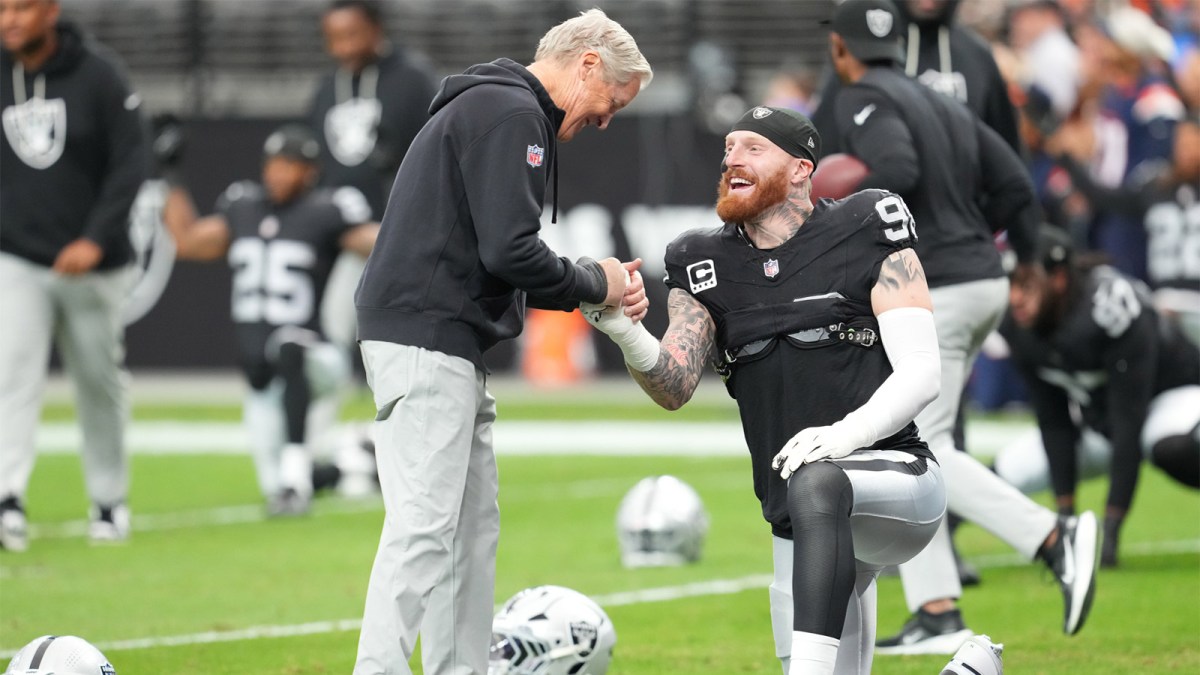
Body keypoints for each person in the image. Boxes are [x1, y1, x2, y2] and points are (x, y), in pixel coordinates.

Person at [586, 103, 947, 675]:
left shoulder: (865, 223)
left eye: (754, 147)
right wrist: (623, 330)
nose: (733, 158)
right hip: (795, 515)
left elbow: (923, 370)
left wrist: (842, 437)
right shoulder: (701, 260)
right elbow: (674, 384)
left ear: (802, 168)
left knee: (818, 482)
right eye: (729, 147)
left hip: (893, 480)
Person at [351, 10, 651, 674]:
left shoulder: (499, 107)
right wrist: (591, 279)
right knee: (426, 528)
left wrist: (587, 284)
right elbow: (511, 250)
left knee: (467, 534)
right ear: (589, 64)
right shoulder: (511, 113)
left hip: (444, 337)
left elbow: (499, 254)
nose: (605, 121)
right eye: (611, 104)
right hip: (427, 334)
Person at [820, 0, 1100, 653]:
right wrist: (1026, 258)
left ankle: (1052, 537)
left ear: (841, 48)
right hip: (982, 277)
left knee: (924, 450)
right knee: (910, 440)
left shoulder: (859, 96)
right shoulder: (939, 100)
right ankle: (937, 608)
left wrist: (838, 230)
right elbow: (1014, 181)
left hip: (936, 287)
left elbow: (896, 171)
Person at [162, 124, 378, 516]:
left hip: (317, 358)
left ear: (310, 171)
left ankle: (297, 482)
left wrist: (400, 188)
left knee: (288, 344)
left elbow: (383, 247)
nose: (277, 173)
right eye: (273, 164)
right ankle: (357, 466)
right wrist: (169, 176)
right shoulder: (243, 205)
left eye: (289, 165)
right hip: (262, 375)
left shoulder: (327, 211)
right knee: (275, 483)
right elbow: (187, 241)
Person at [0, 0, 147, 551]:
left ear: (51, 10)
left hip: (93, 263)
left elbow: (132, 162)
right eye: (2, 8)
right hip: (15, 256)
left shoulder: (99, 73)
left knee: (97, 382)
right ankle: (6, 499)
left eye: (22, 7)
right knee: (9, 376)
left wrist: (95, 237)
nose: (10, 18)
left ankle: (109, 501)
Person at [995, 227, 1200, 567]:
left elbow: (1128, 423)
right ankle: (927, 547)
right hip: (1100, 415)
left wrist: (1111, 532)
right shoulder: (1018, 326)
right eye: (1011, 284)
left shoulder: (1110, 309)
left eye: (1026, 284)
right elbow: (1054, 421)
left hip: (1170, 397)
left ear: (1058, 279)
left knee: (1172, 448)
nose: (1015, 298)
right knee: (1002, 473)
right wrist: (1065, 517)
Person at [308, 0, 439, 354]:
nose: (343, 47)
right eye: (334, 37)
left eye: (352, 35)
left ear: (376, 30)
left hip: (402, 233)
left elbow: (440, 152)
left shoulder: (414, 79)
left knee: (399, 334)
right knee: (331, 326)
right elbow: (317, 161)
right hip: (342, 235)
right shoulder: (325, 87)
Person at [811, 0, 1021, 155]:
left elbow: (1007, 147)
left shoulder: (977, 55)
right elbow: (826, 139)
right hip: (878, 205)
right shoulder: (863, 51)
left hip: (958, 208)